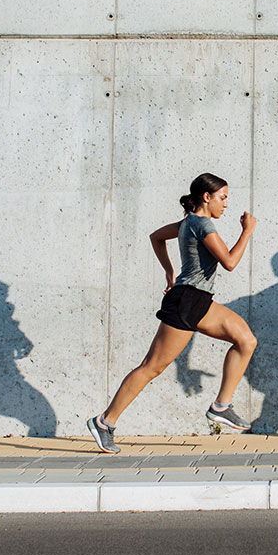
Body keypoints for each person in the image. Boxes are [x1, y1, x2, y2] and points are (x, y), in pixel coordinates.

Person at [88, 173, 257, 454]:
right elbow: (229, 262)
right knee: (152, 367)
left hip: (199, 300)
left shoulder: (188, 223)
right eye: (223, 198)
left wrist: (169, 272)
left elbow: (156, 237)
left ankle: (221, 406)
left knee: (246, 340)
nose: (226, 205)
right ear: (207, 197)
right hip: (187, 301)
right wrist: (247, 231)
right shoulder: (201, 224)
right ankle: (104, 422)